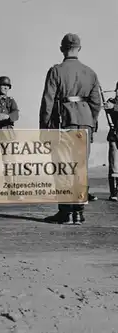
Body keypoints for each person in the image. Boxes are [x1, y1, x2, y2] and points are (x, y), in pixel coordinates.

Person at [39, 33, 101, 225]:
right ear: (79, 49)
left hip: (64, 124)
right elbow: (96, 103)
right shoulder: (90, 73)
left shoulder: (56, 71)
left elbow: (48, 102)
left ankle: (66, 213)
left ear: (61, 49)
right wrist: (91, 121)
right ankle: (79, 213)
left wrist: (45, 128)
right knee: (80, 168)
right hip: (85, 124)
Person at [104, 82, 118, 201]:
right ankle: (114, 192)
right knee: (114, 166)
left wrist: (114, 108)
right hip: (114, 136)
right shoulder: (111, 101)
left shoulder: (113, 104)